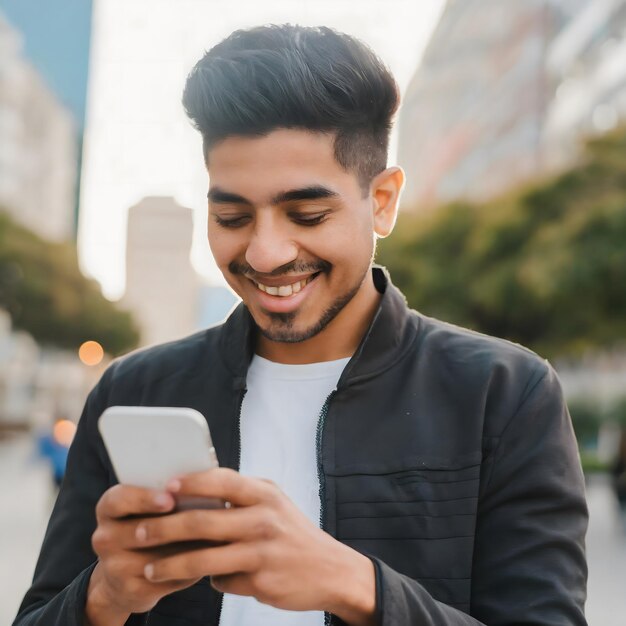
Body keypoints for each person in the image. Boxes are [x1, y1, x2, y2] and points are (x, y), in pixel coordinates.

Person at [14, 24, 588, 626]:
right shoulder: (132, 390)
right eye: (232, 216)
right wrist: (104, 598)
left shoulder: (505, 393)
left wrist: (358, 587)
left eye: (307, 213)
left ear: (383, 201)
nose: (265, 253)